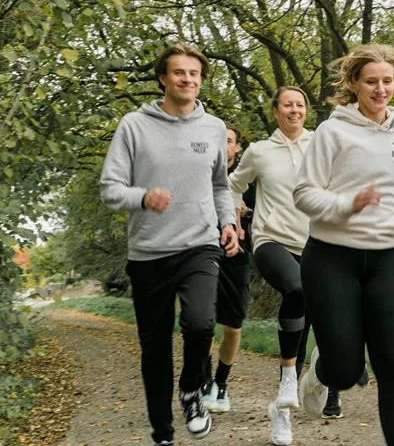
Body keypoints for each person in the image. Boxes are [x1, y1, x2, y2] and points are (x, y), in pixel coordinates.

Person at [293, 43, 394, 446]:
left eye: (387, 82)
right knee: (345, 371)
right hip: (331, 258)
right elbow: (304, 194)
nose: (381, 90)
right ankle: (321, 372)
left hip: (387, 261)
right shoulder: (332, 132)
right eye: (371, 82)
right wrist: (349, 203)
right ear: (354, 84)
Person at [99, 42, 239, 446]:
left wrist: (227, 221)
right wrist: (142, 198)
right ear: (163, 78)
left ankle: (192, 388)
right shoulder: (134, 126)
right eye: (179, 73)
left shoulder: (213, 127)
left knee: (200, 323)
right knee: (154, 348)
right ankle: (162, 432)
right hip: (148, 253)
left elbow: (218, 184)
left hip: (199, 244)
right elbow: (110, 189)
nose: (187, 79)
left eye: (194, 74)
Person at [228, 85, 344, 446]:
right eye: (287, 105)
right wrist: (233, 214)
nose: (294, 110)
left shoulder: (320, 144)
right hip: (271, 240)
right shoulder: (259, 152)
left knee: (319, 313)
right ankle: (289, 377)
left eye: (300, 105)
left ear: (305, 110)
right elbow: (232, 184)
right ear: (276, 111)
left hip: (316, 244)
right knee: (296, 288)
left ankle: (285, 409)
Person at [200, 124, 256, 413]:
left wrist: (248, 213)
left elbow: (270, 212)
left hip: (238, 257)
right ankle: (203, 381)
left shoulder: (250, 180)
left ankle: (221, 383)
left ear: (237, 148)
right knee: (203, 324)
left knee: (233, 326)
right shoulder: (200, 174)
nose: (224, 144)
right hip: (202, 253)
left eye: (230, 140)